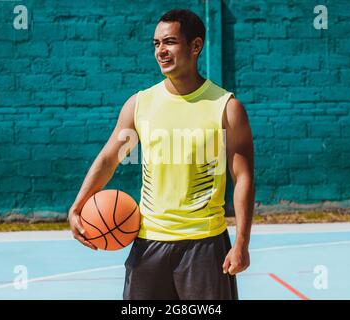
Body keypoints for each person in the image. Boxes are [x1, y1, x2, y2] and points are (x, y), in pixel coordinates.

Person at [68, 9, 255, 300]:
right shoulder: (139, 104)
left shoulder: (226, 107)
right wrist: (78, 205)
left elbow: (242, 177)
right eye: (156, 44)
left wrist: (242, 241)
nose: (161, 51)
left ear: (195, 46)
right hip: (148, 242)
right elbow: (109, 159)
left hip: (204, 245)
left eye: (169, 42)